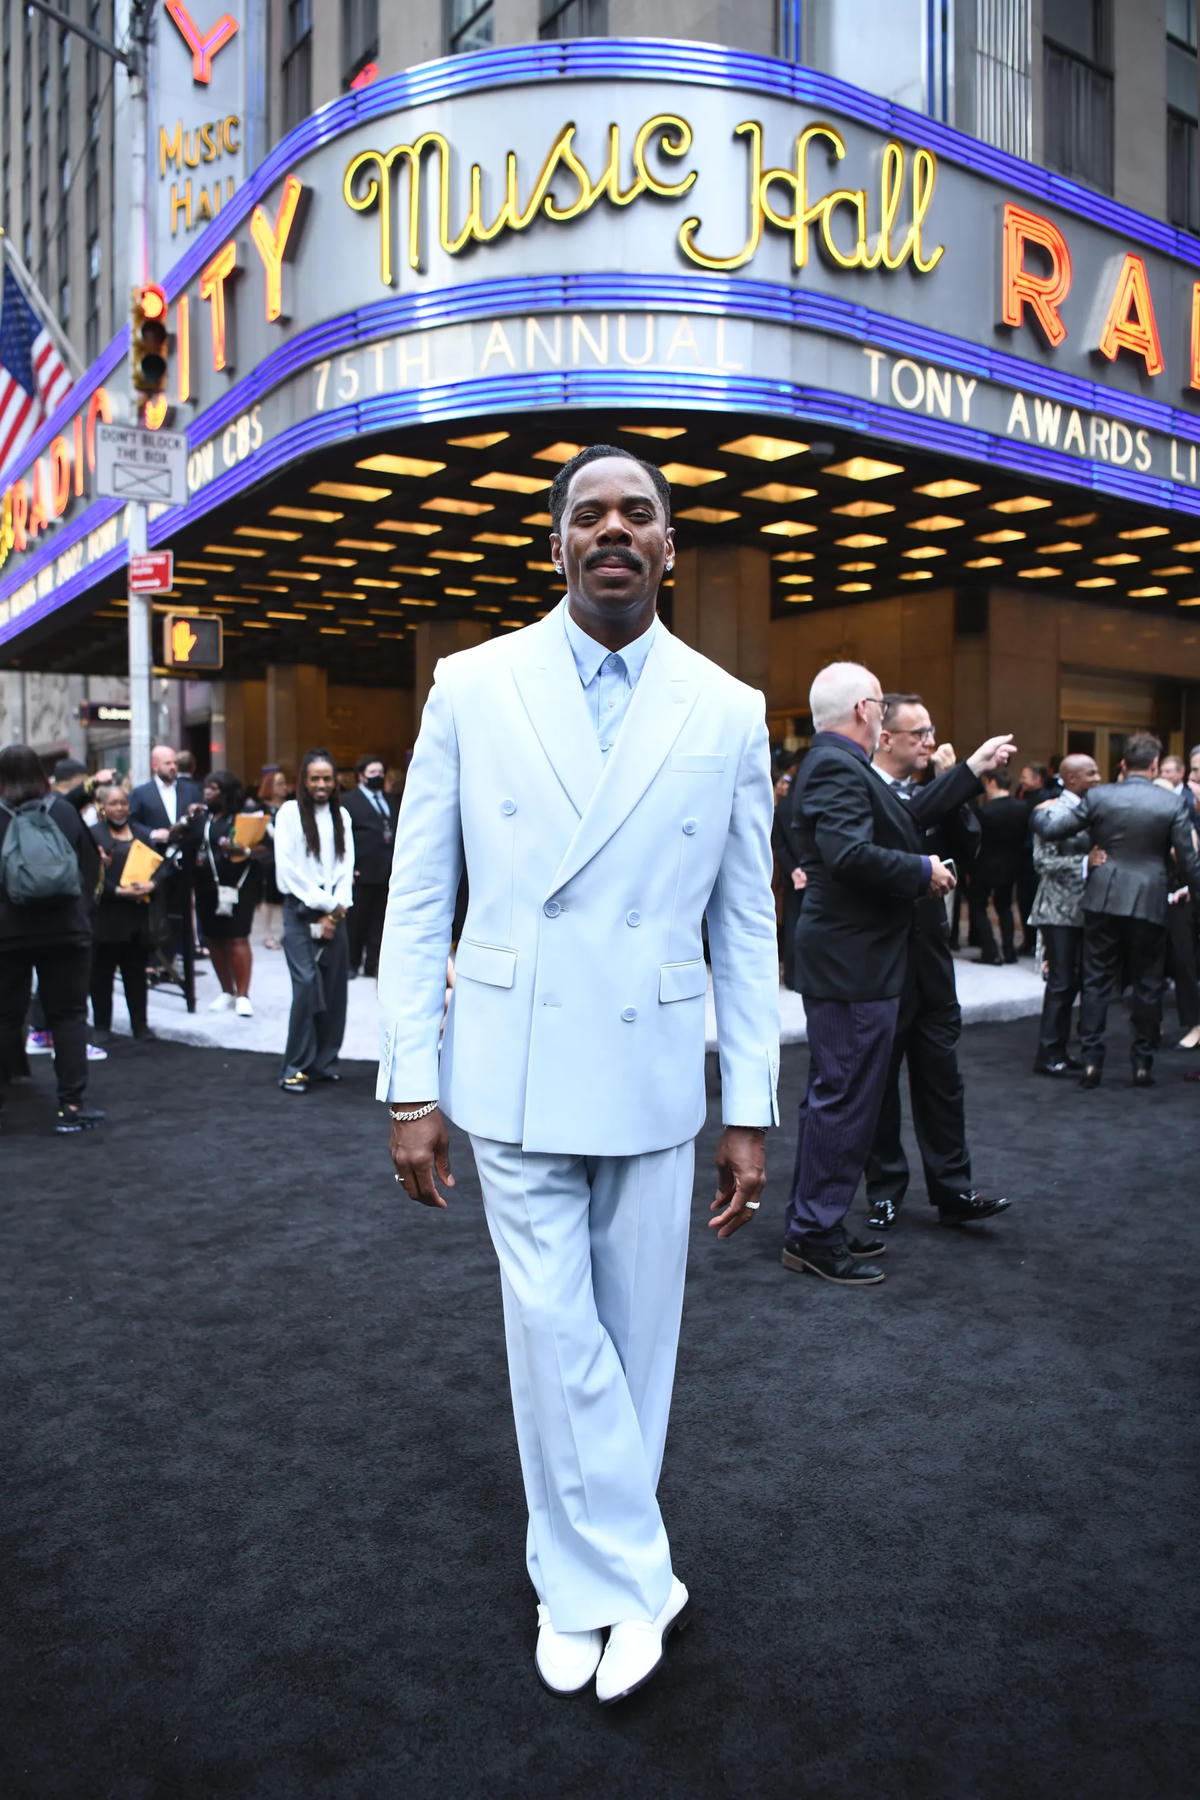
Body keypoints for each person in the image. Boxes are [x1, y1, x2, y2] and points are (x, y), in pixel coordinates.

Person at [377, 443, 779, 1705]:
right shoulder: (472, 683)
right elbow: (419, 899)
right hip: (515, 1061)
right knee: (554, 1330)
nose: (613, 529)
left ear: (669, 548)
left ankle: (578, 1581)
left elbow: (746, 923)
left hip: (654, 1068)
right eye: (589, 513)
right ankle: (626, 1580)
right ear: (554, 544)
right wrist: (409, 1082)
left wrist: (751, 1105)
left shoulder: (728, 707)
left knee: (635, 1344)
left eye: (637, 513)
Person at [780, 664, 956, 1287]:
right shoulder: (836, 765)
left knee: (839, 1097)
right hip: (851, 961)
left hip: (851, 957)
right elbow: (848, 853)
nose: (883, 713)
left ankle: (816, 1221)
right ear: (863, 708)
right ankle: (814, 1231)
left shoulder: (834, 763)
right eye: (881, 703)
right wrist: (922, 871)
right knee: (843, 1099)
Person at [863, 695, 1013, 1233]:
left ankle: (954, 1190)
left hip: (931, 960)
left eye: (931, 731)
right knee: (880, 1087)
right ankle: (884, 1191)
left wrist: (954, 787)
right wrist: (961, 778)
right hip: (880, 964)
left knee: (943, 1082)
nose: (930, 741)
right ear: (885, 738)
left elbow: (969, 849)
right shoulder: (865, 789)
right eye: (919, 733)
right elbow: (895, 831)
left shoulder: (936, 790)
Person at [1033, 731, 1200, 1087]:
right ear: (1154, 765)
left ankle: (1092, 1061)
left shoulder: (1100, 796)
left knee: (1095, 981)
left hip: (1103, 897)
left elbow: (1052, 829)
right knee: (1148, 983)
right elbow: (1188, 861)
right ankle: (1142, 1062)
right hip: (1150, 897)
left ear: (1123, 763)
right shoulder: (1170, 803)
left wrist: (1037, 812)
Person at [0, 743, 104, 1133]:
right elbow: (90, 867)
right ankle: (72, 1105)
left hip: (8, 933)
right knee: (69, 1016)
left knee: (5, 1017)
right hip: (66, 930)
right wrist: (82, 914)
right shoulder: (63, 810)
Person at [274, 748, 354, 1093]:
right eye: (315, 778)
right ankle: (294, 1067)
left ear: (334, 781)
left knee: (334, 989)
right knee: (307, 985)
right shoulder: (289, 813)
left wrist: (338, 908)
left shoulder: (342, 815)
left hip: (335, 911)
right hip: (300, 910)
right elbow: (288, 870)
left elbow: (346, 867)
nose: (321, 784)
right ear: (304, 781)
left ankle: (323, 1062)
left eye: (327, 778)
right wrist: (327, 903)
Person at [1028, 753, 1103, 1076]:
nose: (1098, 778)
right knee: (1060, 983)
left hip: (1087, 909)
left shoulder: (1093, 810)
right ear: (1072, 778)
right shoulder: (1051, 813)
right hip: (1057, 911)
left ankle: (1061, 1050)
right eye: (1091, 773)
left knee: (1077, 983)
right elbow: (1042, 862)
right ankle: (1047, 1054)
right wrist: (1086, 862)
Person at [89, 781, 159, 1043]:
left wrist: (152, 884)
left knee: (136, 973)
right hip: (106, 915)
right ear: (102, 807)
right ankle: (101, 1026)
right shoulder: (93, 835)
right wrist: (117, 891)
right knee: (101, 974)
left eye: (123, 803)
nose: (119, 808)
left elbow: (160, 867)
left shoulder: (141, 833)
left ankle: (140, 1025)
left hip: (137, 915)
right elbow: (88, 874)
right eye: (113, 803)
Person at [194, 770, 262, 1017]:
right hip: (207, 887)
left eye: (214, 789)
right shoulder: (202, 817)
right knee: (213, 938)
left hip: (238, 887)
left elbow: (265, 848)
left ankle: (243, 995)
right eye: (206, 788)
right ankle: (226, 991)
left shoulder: (246, 817)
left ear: (227, 792)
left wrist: (243, 850)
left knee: (237, 938)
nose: (207, 793)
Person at [344, 753, 399, 980]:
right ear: (361, 776)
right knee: (357, 921)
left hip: (387, 871)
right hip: (362, 871)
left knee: (380, 921)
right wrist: (349, 868)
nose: (378, 776)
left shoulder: (391, 800)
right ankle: (352, 962)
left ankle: (373, 964)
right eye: (373, 772)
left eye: (381, 772)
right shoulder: (348, 801)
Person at [970, 766, 1030, 962]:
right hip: (1012, 865)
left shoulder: (985, 811)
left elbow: (976, 840)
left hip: (985, 865)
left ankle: (991, 951)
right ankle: (1009, 951)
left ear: (993, 782)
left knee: (978, 906)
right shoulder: (1024, 808)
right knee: (1005, 907)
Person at [254, 767, 290, 948]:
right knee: (268, 897)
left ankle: (287, 933)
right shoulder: (262, 809)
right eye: (279, 784)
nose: (284, 787)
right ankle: (268, 934)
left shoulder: (290, 806)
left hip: (288, 856)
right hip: (269, 859)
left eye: (284, 783)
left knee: (287, 897)